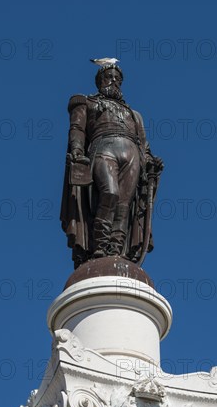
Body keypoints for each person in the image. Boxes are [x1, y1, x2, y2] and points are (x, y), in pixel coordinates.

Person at [60, 64, 163, 269]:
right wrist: (78, 151)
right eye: (109, 77)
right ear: (100, 80)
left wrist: (150, 160)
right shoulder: (86, 102)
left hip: (132, 152)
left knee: (124, 203)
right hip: (103, 146)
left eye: (118, 78)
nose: (114, 81)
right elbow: (78, 129)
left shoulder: (134, 114)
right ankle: (99, 245)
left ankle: (116, 249)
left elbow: (143, 143)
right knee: (110, 193)